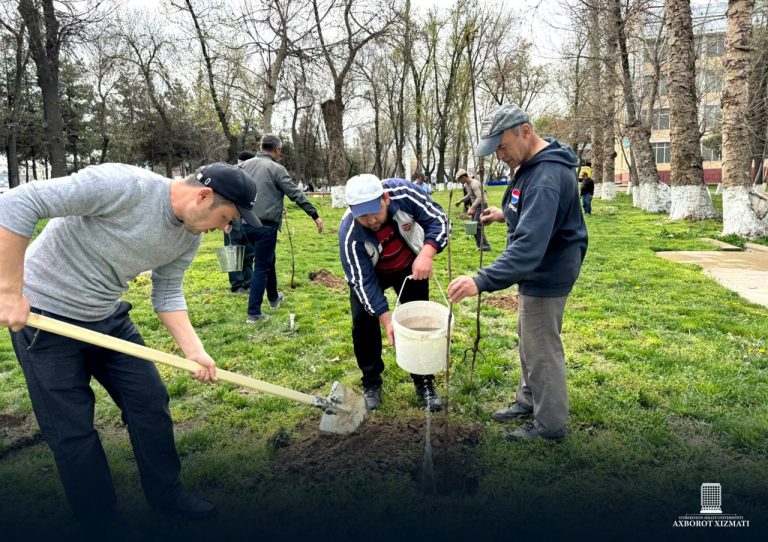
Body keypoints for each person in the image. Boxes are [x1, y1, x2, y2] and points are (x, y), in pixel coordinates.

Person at [0, 162, 262, 535]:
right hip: (46, 319)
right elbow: (17, 203)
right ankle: (101, 521)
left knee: (150, 402)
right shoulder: (123, 185)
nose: (226, 228)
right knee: (72, 429)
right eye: (226, 218)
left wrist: (195, 351)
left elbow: (168, 292)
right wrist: (9, 292)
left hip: (106, 316)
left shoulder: (189, 236)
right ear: (203, 196)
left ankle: (167, 495)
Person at [447, 104, 588, 442]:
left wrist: (479, 281)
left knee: (541, 348)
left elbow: (528, 248)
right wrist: (504, 215)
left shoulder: (545, 178)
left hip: (546, 272)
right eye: (494, 147)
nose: (499, 154)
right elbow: (532, 215)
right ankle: (528, 400)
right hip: (537, 269)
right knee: (529, 340)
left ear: (525, 131)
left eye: (502, 145)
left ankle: (549, 426)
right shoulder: (531, 165)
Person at [339, 174, 450, 412]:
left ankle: (424, 381)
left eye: (374, 212)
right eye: (362, 215)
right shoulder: (350, 233)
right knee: (363, 323)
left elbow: (439, 220)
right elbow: (362, 281)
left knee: (418, 321)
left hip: (411, 266)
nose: (370, 220)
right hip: (373, 273)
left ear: (385, 198)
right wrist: (386, 318)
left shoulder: (405, 193)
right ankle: (371, 381)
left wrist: (427, 253)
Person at [240, 134, 324, 323]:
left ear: (261, 147)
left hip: (245, 224)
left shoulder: (243, 166)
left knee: (269, 259)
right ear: (277, 149)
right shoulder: (276, 168)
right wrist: (315, 215)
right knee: (261, 266)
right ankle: (254, 313)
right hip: (265, 226)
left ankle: (273, 298)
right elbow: (295, 193)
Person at [223, 150, 258, 293]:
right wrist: (225, 222)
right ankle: (237, 284)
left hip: (248, 218)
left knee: (249, 251)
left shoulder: (252, 176)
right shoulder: (230, 176)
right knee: (233, 251)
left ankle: (248, 282)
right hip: (233, 219)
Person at [454, 168, 491, 251]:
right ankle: (479, 245)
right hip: (476, 205)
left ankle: (485, 246)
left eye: (459, 180)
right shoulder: (466, 185)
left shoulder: (474, 184)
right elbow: (469, 195)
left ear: (463, 177)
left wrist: (471, 207)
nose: (459, 182)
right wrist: (460, 201)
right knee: (474, 226)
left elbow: (480, 197)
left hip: (482, 205)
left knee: (477, 225)